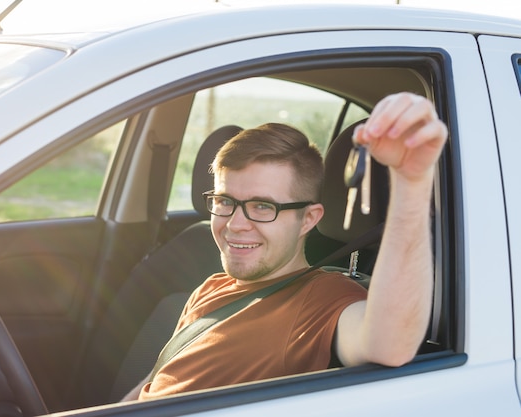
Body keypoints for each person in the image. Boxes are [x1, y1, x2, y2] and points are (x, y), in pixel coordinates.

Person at [122, 92, 448, 401]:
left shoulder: (323, 300)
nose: (235, 224)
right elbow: (155, 381)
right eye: (225, 201)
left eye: (263, 206)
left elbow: (389, 344)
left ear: (308, 219)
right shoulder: (211, 288)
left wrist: (411, 181)